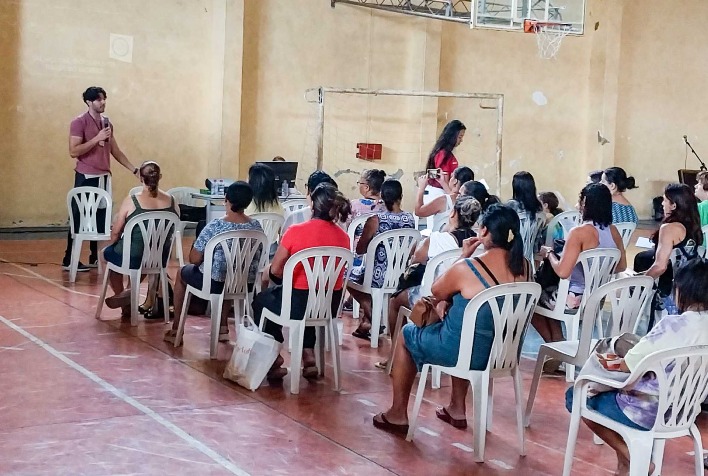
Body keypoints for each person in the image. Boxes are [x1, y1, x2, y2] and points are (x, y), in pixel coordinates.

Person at [372, 204, 530, 434]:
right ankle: (456, 407)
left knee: (407, 335)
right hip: (500, 354)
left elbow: (436, 290)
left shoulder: (470, 266)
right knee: (463, 322)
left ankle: (397, 413)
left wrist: (463, 256)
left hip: (463, 352)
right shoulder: (524, 266)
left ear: (483, 231)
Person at [565, 258, 708, 476]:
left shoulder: (673, 325)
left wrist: (607, 360)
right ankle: (625, 465)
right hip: (683, 412)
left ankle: (632, 457)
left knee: (576, 396)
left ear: (684, 290)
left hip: (644, 411)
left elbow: (629, 364)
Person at [252, 183, 351, 379]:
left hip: (296, 305)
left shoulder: (295, 231)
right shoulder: (344, 237)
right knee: (311, 297)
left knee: (262, 302)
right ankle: (309, 356)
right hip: (329, 305)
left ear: (312, 205)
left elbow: (276, 271)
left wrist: (271, 276)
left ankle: (274, 358)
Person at [376, 195, 482, 369]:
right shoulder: (479, 244)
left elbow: (415, 260)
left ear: (453, 213)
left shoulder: (437, 239)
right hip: (463, 300)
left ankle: (395, 355)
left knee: (395, 301)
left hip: (433, 298)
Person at [165, 182, 263, 345]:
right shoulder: (256, 227)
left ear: (226, 199)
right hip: (244, 284)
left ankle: (176, 329)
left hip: (214, 284)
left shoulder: (215, 226)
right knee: (230, 274)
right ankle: (222, 328)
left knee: (182, 273)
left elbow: (194, 259)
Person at [532, 183, 627, 343]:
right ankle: (557, 344)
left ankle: (556, 342)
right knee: (546, 293)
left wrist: (549, 254)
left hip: (573, 299)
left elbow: (563, 272)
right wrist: (595, 271)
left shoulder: (579, 233)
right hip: (596, 298)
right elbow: (621, 266)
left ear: (585, 203)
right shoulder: (614, 231)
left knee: (530, 296)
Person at [64, 86, 139, 272]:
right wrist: (96, 138)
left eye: (104, 98)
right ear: (89, 102)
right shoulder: (79, 122)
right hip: (86, 176)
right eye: (98, 99)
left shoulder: (107, 123)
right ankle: (69, 259)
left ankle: (94, 257)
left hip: (104, 176)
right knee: (80, 217)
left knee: (100, 218)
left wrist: (134, 169)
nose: (103, 102)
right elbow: (74, 151)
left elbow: (115, 150)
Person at [102, 162, 179, 318]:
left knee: (105, 255)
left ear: (140, 178)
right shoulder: (172, 201)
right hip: (159, 258)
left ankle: (125, 300)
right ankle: (130, 291)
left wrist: (113, 244)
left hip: (135, 255)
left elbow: (116, 232)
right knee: (147, 254)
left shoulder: (132, 200)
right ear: (160, 177)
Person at [349, 179, 416, 339]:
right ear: (401, 196)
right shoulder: (410, 219)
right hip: (400, 276)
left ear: (381, 198)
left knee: (346, 275)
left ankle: (371, 313)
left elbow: (360, 249)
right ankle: (370, 317)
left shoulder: (375, 220)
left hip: (377, 276)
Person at [633, 183, 702, 315]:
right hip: (689, 284)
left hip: (669, 289)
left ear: (674, 205)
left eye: (665, 200)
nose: (662, 204)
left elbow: (660, 267)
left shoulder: (670, 228)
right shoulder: (693, 224)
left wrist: (639, 283)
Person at [415, 166, 474, 231]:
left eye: (451, 177)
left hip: (441, 238)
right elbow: (453, 196)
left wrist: (421, 188)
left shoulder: (443, 200)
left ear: (455, 181)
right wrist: (443, 182)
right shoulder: (471, 201)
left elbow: (419, 212)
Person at [506, 171, 547, 254]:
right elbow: (537, 239)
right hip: (530, 256)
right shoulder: (539, 209)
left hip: (511, 252)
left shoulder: (511, 205)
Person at [424, 120, 466, 196]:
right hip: (440, 193)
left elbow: (433, 174)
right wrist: (452, 197)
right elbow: (443, 180)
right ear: (452, 136)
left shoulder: (441, 153)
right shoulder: (443, 154)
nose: (461, 140)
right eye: (460, 137)